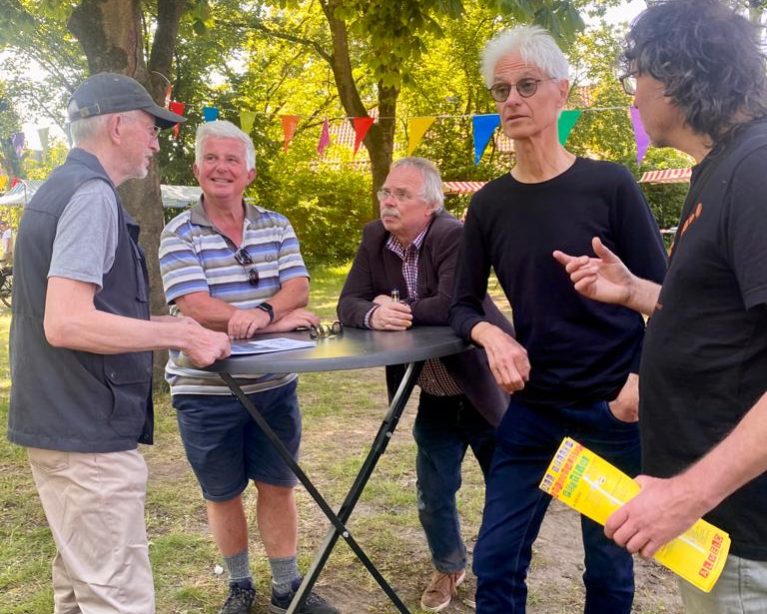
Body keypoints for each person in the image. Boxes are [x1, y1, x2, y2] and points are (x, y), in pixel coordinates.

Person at [554, 2, 767, 611]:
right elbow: (729, 318)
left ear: (675, 75)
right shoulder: (719, 168)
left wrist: (687, 495)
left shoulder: (756, 169)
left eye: (636, 76)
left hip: (744, 537)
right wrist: (639, 293)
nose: (635, 93)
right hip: (717, 535)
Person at [449, 26, 668, 613]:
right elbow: (461, 303)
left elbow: (668, 298)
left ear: (561, 92)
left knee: (608, 570)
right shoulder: (489, 204)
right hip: (534, 408)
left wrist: (637, 385)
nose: (512, 100)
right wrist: (490, 334)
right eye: (501, 91)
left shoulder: (609, 184)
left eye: (526, 85)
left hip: (611, 407)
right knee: (496, 561)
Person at [7, 72, 231, 614]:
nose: (156, 142)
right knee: (116, 598)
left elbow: (87, 313)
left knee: (80, 590)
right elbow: (67, 323)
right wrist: (177, 331)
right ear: (115, 127)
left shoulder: (60, 188)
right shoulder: (91, 196)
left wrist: (172, 326)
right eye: (151, 128)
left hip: (63, 424)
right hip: (86, 436)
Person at [159, 120, 338, 614]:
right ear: (197, 169)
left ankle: (286, 588)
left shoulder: (275, 224)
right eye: (211, 158)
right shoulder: (178, 233)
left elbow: (298, 288)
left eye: (232, 160)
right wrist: (275, 322)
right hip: (205, 389)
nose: (221, 168)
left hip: (274, 385)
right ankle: (239, 587)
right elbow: (195, 307)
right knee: (222, 493)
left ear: (250, 173)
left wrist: (257, 313)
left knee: (278, 485)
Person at [337, 157, 513, 612]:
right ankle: (448, 566)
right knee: (433, 494)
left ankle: (500, 572)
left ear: (431, 204)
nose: (388, 202)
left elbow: (454, 303)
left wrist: (394, 306)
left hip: (484, 385)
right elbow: (347, 303)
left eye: (402, 195)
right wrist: (372, 312)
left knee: (507, 488)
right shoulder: (374, 238)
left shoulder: (453, 235)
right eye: (386, 192)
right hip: (435, 392)